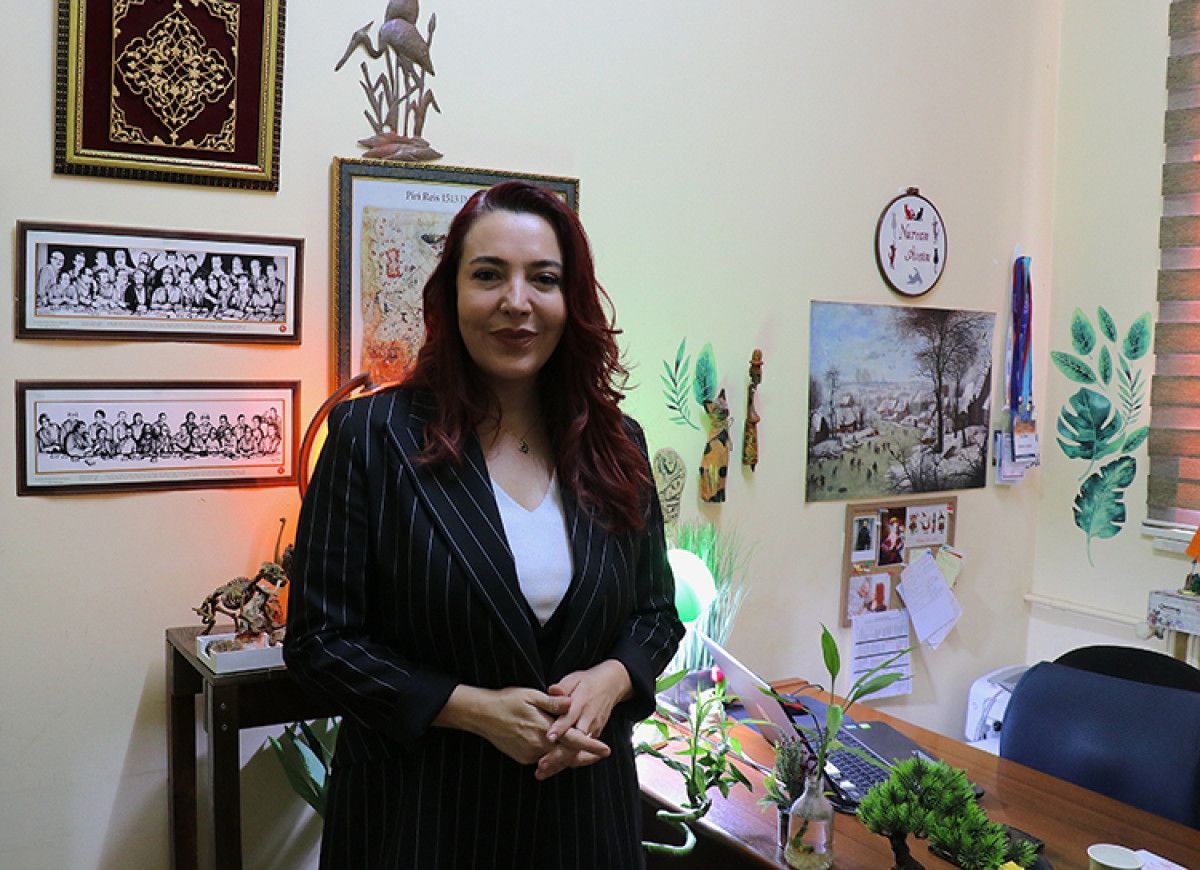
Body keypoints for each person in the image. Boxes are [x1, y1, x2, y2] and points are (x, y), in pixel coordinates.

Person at [284, 180, 684, 869]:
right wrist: (470, 708)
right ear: (451, 295)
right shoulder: (371, 437)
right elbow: (319, 643)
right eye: (489, 275)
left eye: (544, 279)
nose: (517, 302)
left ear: (572, 300)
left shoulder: (617, 443)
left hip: (586, 825)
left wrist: (614, 678)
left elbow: (655, 614)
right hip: (422, 822)